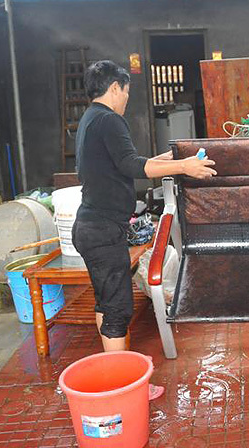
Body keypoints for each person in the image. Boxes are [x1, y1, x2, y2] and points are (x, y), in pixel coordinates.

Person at [72, 60, 215, 354]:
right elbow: (131, 165)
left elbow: (124, 163)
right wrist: (185, 167)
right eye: (126, 91)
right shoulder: (109, 119)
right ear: (114, 88)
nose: (126, 98)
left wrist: (173, 158)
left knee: (107, 301)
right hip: (102, 228)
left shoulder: (91, 118)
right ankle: (122, 381)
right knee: (118, 308)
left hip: (92, 226)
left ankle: (117, 373)